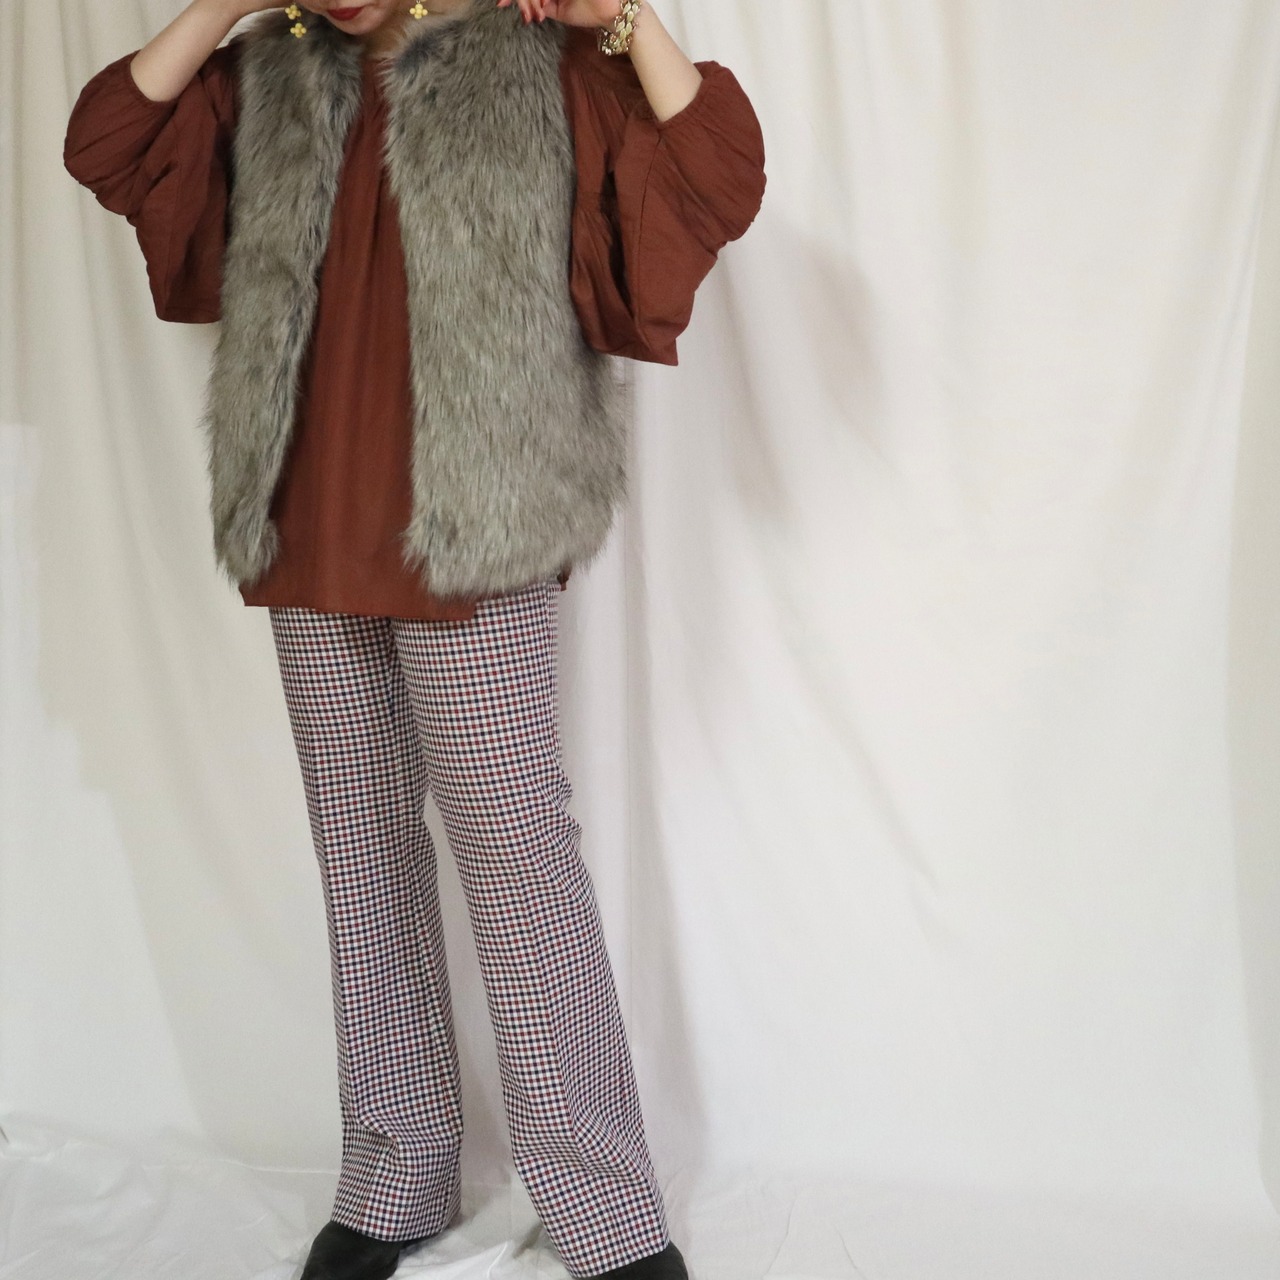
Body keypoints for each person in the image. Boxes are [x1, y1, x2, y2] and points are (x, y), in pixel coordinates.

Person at [63, 1, 764, 1276]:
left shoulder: (543, 62)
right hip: (307, 512)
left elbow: (718, 177)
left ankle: (604, 1207)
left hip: (476, 523)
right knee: (361, 849)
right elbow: (107, 140)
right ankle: (394, 1175)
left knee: (515, 854)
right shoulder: (273, 69)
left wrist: (625, 19)